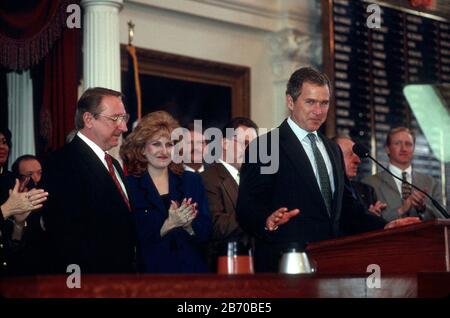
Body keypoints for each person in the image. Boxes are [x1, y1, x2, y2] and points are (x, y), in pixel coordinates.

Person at [236, 67, 420, 272]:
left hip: (331, 262)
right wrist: (267, 220)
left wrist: (384, 226)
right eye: (310, 102)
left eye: (324, 103)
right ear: (290, 101)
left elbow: (348, 207)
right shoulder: (266, 146)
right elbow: (247, 207)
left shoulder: (332, 148)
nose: (318, 111)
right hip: (285, 264)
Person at [41, 87, 136, 274]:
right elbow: (65, 236)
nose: (123, 127)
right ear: (88, 119)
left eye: (124, 118)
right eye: (115, 118)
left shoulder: (114, 164)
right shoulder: (62, 162)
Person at [120, 111, 212, 273]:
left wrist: (189, 225)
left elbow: (207, 233)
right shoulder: (128, 186)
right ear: (141, 149)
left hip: (192, 275)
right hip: (149, 276)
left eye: (169, 144)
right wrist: (168, 224)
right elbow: (127, 240)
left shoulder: (192, 181)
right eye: (156, 144)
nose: (164, 151)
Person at [201, 117, 258, 271]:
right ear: (225, 144)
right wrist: (258, 215)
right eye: (246, 144)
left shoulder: (255, 180)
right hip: (225, 268)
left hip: (255, 267)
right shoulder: (208, 178)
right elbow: (215, 225)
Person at [363, 127, 444, 221]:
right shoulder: (370, 184)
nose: (403, 148)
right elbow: (367, 223)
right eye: (397, 143)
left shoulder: (431, 183)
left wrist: (423, 209)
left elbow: (442, 218)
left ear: (414, 148)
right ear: (387, 149)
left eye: (408, 144)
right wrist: (401, 210)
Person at [332, 135, 387, 216]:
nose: (358, 160)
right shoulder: (329, 191)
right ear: (332, 156)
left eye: (357, 155)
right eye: (350, 154)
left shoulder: (367, 190)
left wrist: (374, 218)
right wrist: (367, 217)